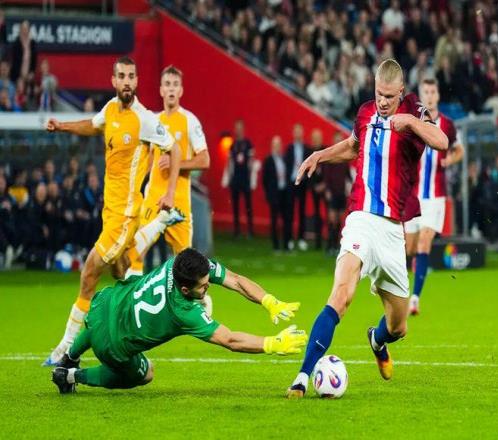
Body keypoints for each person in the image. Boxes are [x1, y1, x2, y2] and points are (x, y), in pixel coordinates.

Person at [286, 59, 448, 398]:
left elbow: (441, 142)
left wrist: (410, 122)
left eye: (389, 96)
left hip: (392, 231)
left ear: (401, 92)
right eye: (378, 94)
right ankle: (301, 377)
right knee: (341, 295)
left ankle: (377, 339)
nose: (383, 102)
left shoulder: (415, 110)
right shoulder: (364, 112)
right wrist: (319, 155)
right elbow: (353, 146)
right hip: (360, 218)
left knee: (398, 326)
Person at [43, 56, 183, 366]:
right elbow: (94, 125)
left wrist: (171, 192)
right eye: (122, 76)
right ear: (114, 81)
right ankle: (161, 222)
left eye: (132, 76)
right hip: (110, 211)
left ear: (137, 80)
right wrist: (62, 126)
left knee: (90, 272)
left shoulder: (144, 119)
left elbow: (173, 149)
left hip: (125, 215)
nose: (127, 82)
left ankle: (65, 348)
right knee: (122, 273)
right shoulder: (109, 109)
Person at [51, 248, 307, 394]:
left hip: (105, 303)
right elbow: (229, 339)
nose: (208, 287)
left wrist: (268, 301)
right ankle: (71, 376)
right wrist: (272, 343)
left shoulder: (180, 263)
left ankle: (69, 356)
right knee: (146, 373)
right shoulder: (184, 312)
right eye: (203, 287)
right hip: (112, 346)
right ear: (185, 290)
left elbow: (236, 281)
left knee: (101, 323)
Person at [126, 65, 210, 275]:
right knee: (135, 252)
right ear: (161, 90)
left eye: (175, 85)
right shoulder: (153, 121)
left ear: (181, 90)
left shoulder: (189, 121)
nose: (171, 88)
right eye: (167, 84)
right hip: (153, 198)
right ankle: (135, 293)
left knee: (186, 264)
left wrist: (176, 163)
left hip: (179, 201)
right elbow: (149, 160)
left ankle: (188, 295)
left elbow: (204, 160)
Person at [405, 78, 464, 315]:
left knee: (424, 242)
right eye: (426, 92)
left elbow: (459, 149)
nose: (429, 96)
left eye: (432, 92)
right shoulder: (413, 121)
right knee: (408, 248)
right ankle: (407, 271)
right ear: (421, 95)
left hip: (435, 196)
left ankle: (414, 299)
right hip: (413, 194)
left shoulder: (447, 124)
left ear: (438, 95)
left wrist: (451, 159)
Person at [284, 123, 311, 251]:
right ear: (293, 133)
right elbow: (286, 165)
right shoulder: (289, 148)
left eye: (300, 131)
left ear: (302, 133)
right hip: (291, 182)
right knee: (289, 211)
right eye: (296, 131)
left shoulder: (306, 149)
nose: (298, 134)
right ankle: (289, 238)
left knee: (302, 211)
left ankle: (301, 239)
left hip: (303, 183)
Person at [226, 119, 254, 237]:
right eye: (236, 128)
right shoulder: (232, 145)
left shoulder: (248, 143)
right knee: (235, 205)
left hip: (245, 178)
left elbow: (251, 161)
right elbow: (229, 163)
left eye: (240, 128)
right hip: (235, 179)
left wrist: (251, 178)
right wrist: (229, 178)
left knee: (248, 205)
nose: (238, 130)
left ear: (243, 129)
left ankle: (250, 230)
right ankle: (236, 230)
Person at [262, 135, 290, 251]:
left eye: (279, 145)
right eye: (276, 145)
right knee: (274, 221)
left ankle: (286, 245)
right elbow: (265, 179)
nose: (278, 147)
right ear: (272, 146)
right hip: (274, 194)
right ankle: (276, 245)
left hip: (284, 193)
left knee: (286, 219)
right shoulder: (268, 160)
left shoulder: (284, 159)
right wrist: (269, 194)